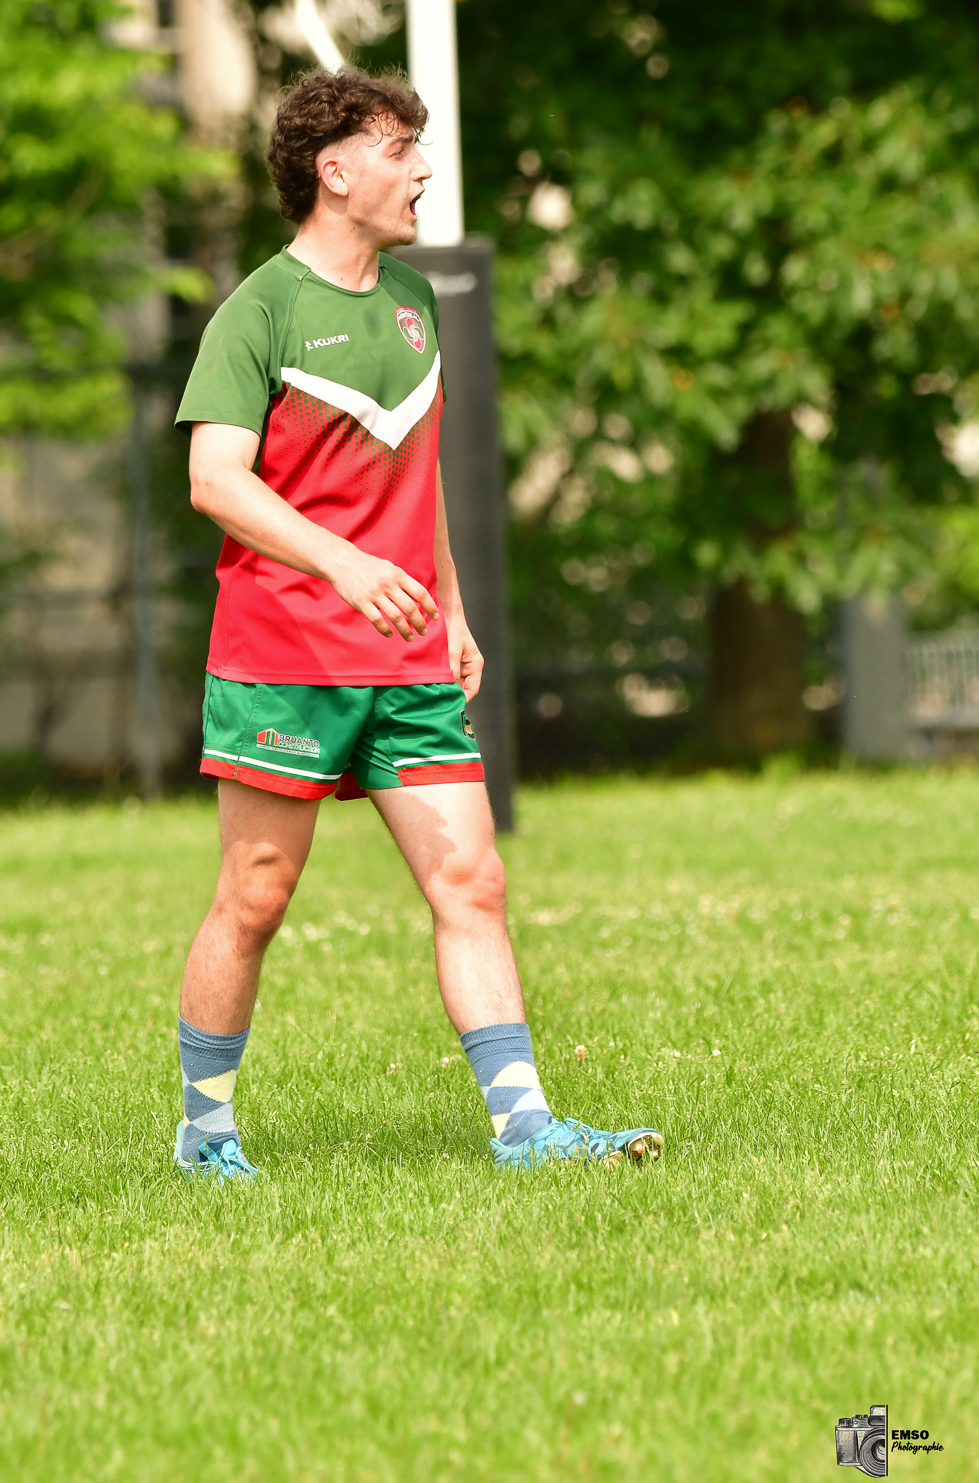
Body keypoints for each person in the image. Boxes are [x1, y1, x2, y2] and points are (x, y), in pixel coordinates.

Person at [172, 66, 663, 1180]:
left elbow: (417, 473)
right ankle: (204, 1133)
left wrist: (447, 603)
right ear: (333, 172)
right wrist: (345, 564)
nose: (423, 171)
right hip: (283, 652)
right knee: (255, 897)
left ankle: (525, 1127)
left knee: (473, 881)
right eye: (399, 150)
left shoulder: (414, 303)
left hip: (402, 649)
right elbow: (216, 479)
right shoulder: (259, 311)